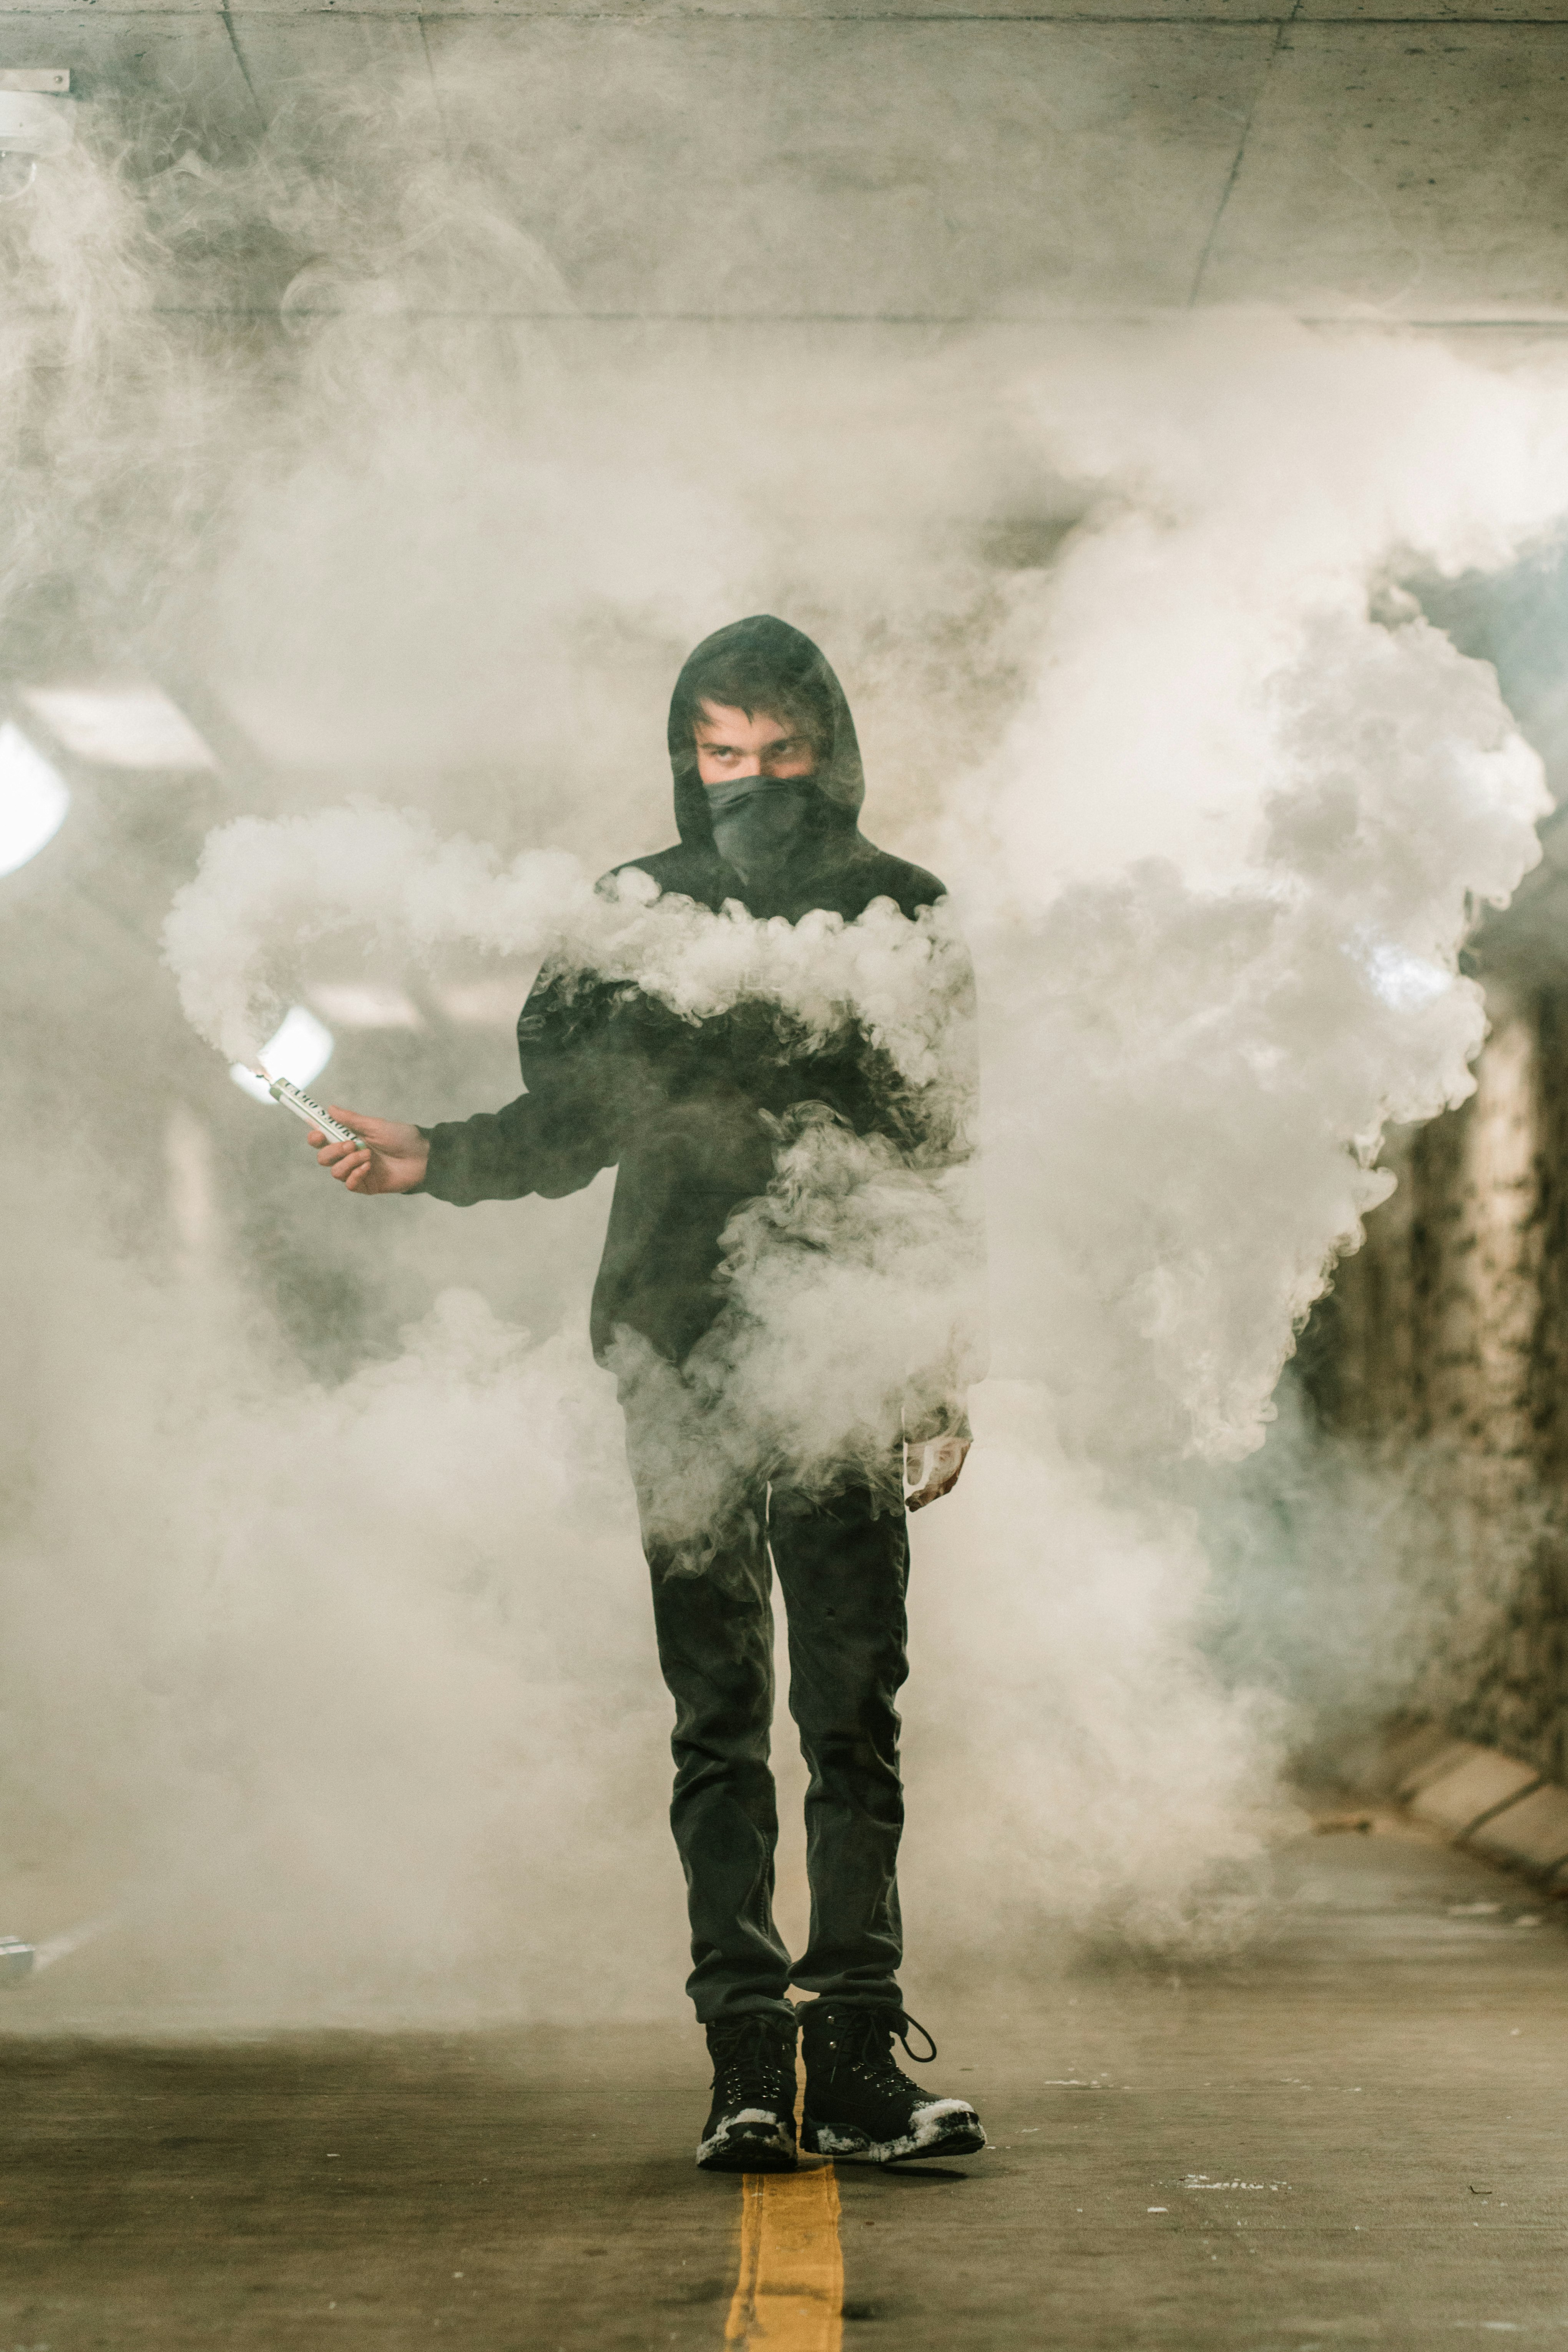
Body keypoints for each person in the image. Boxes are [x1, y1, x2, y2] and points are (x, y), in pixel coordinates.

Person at [304, 616, 985, 2171]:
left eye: (783, 755)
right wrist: (431, 1160)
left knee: (854, 1712)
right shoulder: (628, 915)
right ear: (685, 757)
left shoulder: (904, 913)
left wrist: (936, 1358)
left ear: (833, 749)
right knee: (721, 1712)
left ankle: (859, 2053)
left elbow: (935, 1148)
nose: (751, 783)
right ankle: (748, 2058)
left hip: (845, 1338)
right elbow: (572, 1124)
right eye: (721, 755)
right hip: (677, 1344)